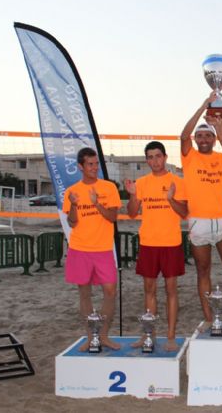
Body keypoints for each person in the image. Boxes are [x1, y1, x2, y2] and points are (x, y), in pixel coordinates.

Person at [180, 94, 222, 333]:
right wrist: (203, 106)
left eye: (207, 135)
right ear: (196, 139)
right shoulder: (189, 157)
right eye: (200, 135)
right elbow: (183, 136)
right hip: (198, 221)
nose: (203, 138)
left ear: (213, 139)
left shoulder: (221, 158)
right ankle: (209, 318)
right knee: (203, 271)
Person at [124, 141, 188, 351]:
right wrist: (133, 194)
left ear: (165, 157)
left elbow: (184, 212)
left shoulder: (177, 181)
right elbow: (132, 213)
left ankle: (170, 337)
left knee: (171, 291)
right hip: (148, 243)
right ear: (147, 161)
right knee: (149, 290)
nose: (155, 161)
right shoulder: (141, 183)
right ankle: (148, 335)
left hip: (170, 243)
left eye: (158, 156)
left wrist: (171, 199)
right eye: (150, 157)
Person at [63, 147, 122, 352]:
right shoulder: (72, 191)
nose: (94, 167)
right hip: (80, 248)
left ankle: (103, 335)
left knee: (110, 291)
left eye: (96, 163)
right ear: (80, 166)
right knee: (85, 293)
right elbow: (72, 222)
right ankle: (91, 337)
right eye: (90, 164)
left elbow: (113, 217)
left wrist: (97, 204)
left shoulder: (109, 187)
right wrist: (73, 205)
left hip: (103, 249)